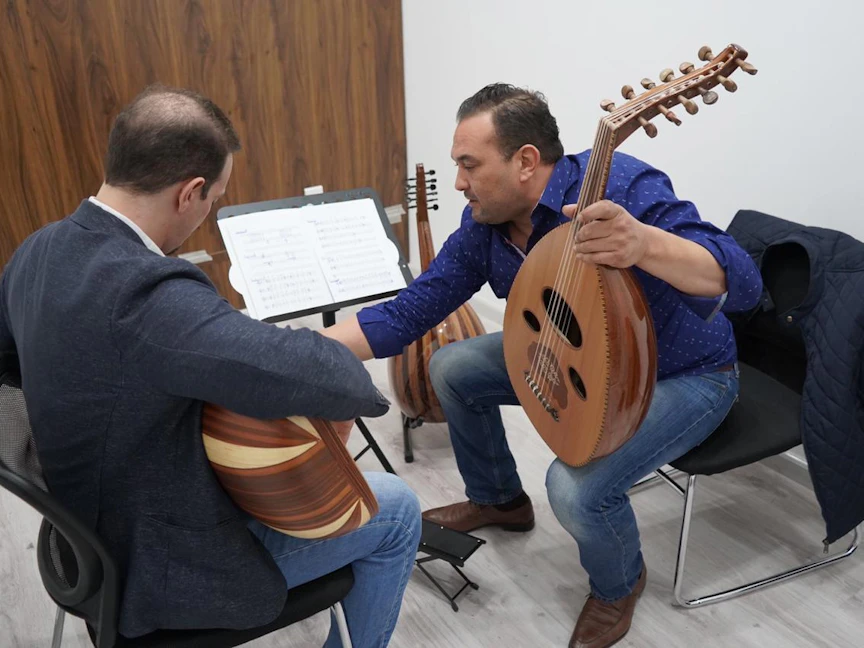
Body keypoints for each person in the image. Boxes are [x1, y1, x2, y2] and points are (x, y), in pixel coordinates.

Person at [322, 83, 763, 648]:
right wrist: (290, 351)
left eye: (469, 165)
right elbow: (409, 312)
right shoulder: (486, 226)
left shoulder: (619, 184)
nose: (458, 183)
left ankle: (618, 584)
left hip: (684, 375)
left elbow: (743, 283)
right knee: (453, 367)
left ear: (526, 162)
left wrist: (644, 244)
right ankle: (500, 500)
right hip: (565, 351)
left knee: (575, 488)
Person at [0, 84, 421, 647]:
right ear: (190, 192)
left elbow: (10, 368)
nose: (207, 213)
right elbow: (336, 378)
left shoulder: (36, 251)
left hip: (79, 538)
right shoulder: (147, 293)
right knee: (397, 509)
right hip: (152, 570)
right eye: (214, 199)